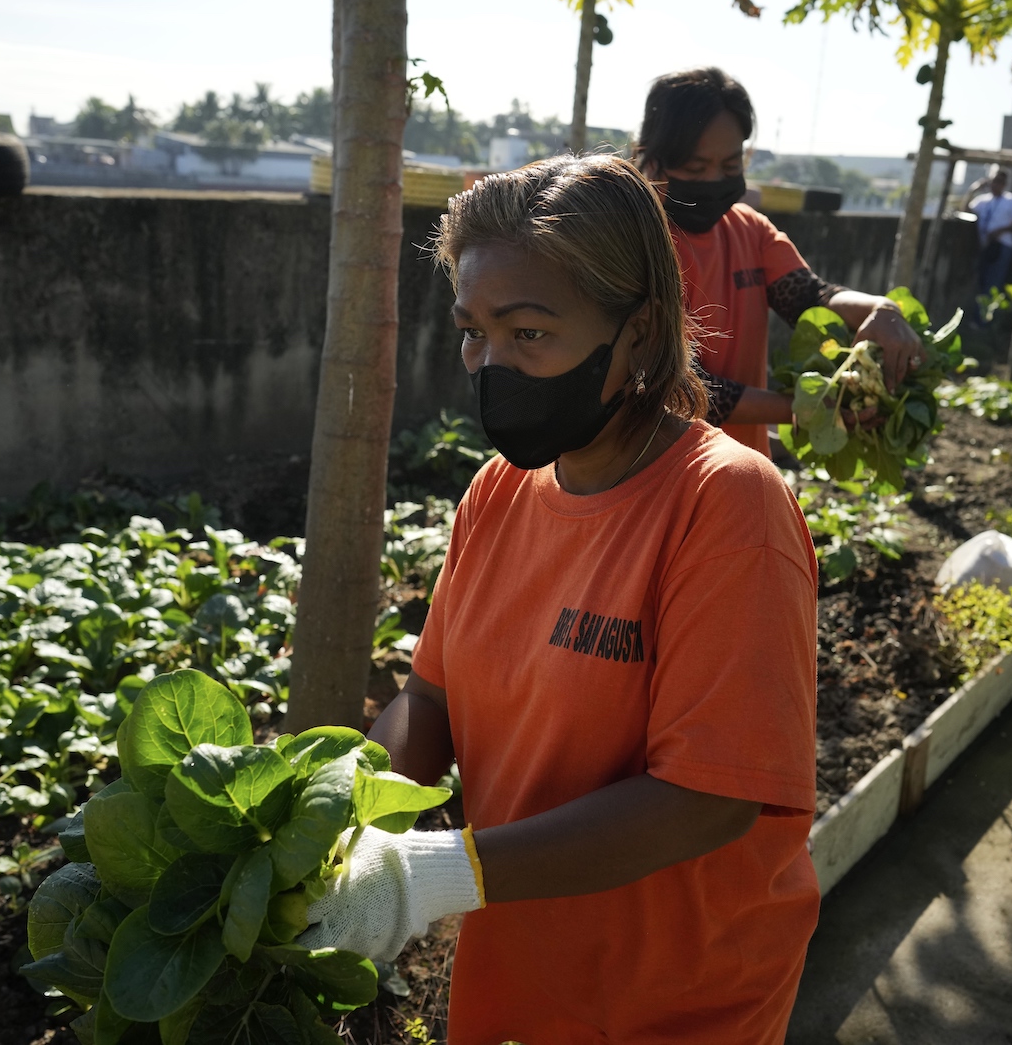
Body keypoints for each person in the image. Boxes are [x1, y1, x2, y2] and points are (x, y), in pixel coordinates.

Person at [300, 154, 821, 1045]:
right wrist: (351, 829)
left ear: (642, 330)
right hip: (520, 962)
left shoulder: (727, 504)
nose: (491, 364)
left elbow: (709, 795)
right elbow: (432, 698)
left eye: (529, 333)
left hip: (673, 1000)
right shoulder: (498, 493)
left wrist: (431, 876)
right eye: (474, 331)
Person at [636, 67, 923, 458]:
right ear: (653, 159)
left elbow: (807, 296)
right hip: (663, 473)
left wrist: (879, 308)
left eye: (731, 166)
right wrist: (808, 408)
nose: (716, 180)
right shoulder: (635, 246)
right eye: (695, 168)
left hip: (745, 468)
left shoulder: (750, 230)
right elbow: (676, 385)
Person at [966, 168, 1012, 320]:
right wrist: (973, 190)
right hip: (985, 246)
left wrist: (1001, 231)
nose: (995, 184)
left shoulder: (1011, 200)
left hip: (1002, 245)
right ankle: (980, 318)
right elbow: (965, 209)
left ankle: (986, 320)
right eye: (993, 181)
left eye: (999, 182)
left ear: (1005, 184)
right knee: (982, 281)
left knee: (994, 283)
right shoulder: (983, 200)